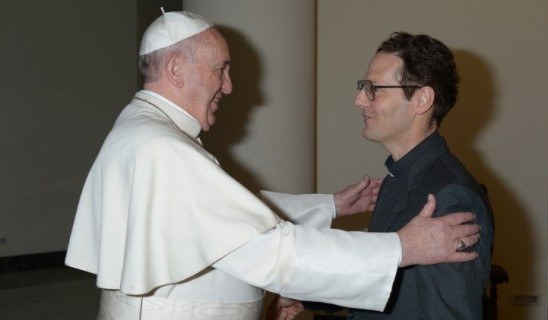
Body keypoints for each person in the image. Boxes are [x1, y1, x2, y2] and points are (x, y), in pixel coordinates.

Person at [64, 11, 481, 320]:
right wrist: (404, 248)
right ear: (175, 68)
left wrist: (330, 206)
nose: (228, 86)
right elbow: (266, 247)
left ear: (422, 100)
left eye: (373, 89)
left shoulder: (144, 130)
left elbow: (226, 217)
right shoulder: (161, 146)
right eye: (220, 69)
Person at [345, 32, 494, 319]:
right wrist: (307, 298)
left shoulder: (451, 196)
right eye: (363, 86)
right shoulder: (394, 179)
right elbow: (385, 280)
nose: (360, 99)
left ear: (422, 100)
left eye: (374, 88)